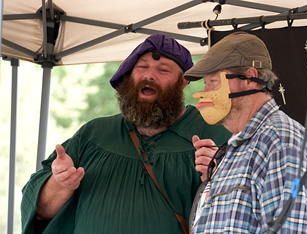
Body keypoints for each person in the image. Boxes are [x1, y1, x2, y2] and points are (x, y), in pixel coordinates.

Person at [21, 33, 231, 234]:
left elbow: (242, 212)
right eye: (142, 67)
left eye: (163, 70)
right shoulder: (94, 135)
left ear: (183, 82)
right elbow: (40, 213)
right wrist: (60, 184)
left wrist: (222, 175)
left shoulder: (212, 136)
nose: (150, 74)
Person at [184, 31, 307, 233]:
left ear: (249, 78)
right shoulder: (237, 147)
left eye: (213, 82)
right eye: (205, 83)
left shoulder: (281, 142)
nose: (206, 92)